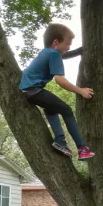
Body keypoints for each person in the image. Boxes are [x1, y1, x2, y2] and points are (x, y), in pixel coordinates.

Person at [20, 23, 95, 160]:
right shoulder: (54, 54)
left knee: (52, 108)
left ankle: (60, 141)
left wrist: (79, 51)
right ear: (56, 42)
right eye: (67, 44)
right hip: (34, 90)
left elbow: (64, 55)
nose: (68, 47)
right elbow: (60, 81)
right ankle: (82, 148)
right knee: (66, 110)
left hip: (28, 91)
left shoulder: (47, 52)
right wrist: (80, 91)